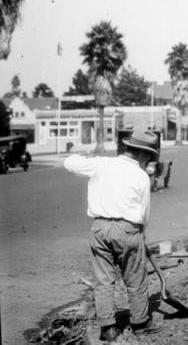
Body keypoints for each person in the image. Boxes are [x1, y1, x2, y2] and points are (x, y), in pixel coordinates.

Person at [64, 130, 162, 342]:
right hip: (128, 229)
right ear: (144, 155)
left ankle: (108, 328)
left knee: (103, 280)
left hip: (99, 228)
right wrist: (140, 234)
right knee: (135, 278)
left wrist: (85, 155)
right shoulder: (141, 176)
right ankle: (141, 323)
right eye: (149, 158)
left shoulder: (102, 164)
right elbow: (143, 213)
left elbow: (70, 162)